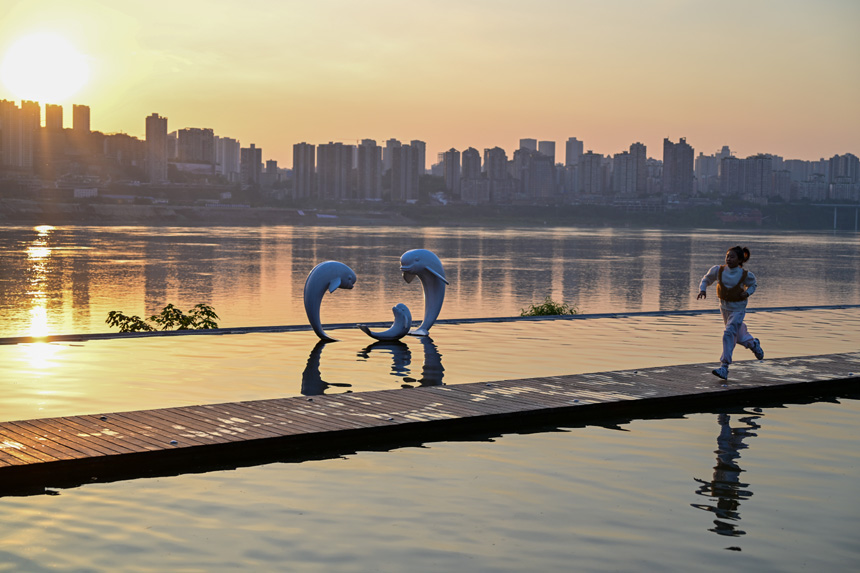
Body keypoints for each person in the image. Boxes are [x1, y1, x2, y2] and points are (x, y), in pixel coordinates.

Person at [697, 246, 764, 380]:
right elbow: (706, 279)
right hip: (724, 308)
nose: (728, 259)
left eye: (732, 257)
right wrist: (702, 289)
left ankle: (724, 367)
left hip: (738, 309)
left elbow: (753, 285)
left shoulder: (745, 275)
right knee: (737, 336)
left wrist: (747, 292)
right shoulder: (718, 270)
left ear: (740, 259)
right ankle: (753, 344)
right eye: (727, 256)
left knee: (728, 332)